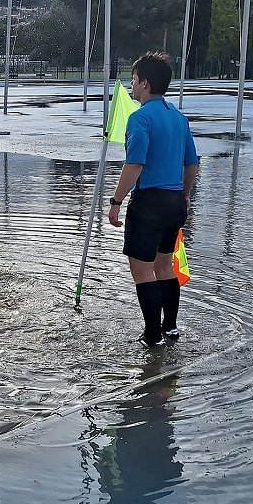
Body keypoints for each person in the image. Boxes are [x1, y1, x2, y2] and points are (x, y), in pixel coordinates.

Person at [108, 51, 199, 347]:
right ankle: (170, 327)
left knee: (142, 269)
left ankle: (151, 335)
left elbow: (135, 164)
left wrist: (116, 200)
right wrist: (185, 196)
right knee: (165, 266)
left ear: (145, 83)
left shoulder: (139, 119)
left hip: (148, 204)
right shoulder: (179, 118)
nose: (131, 86)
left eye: (133, 80)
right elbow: (192, 163)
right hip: (174, 203)